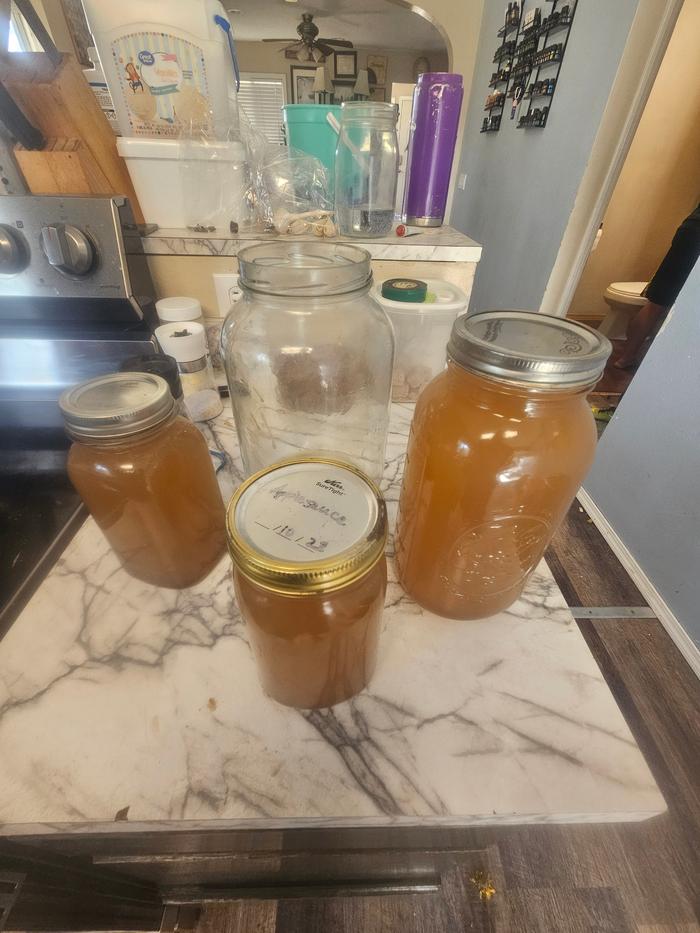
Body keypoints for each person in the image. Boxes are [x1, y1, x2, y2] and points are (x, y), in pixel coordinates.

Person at [615, 202, 700, 368]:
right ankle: (660, 366)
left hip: (689, 229)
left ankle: (625, 357)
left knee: (655, 303)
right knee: (688, 310)